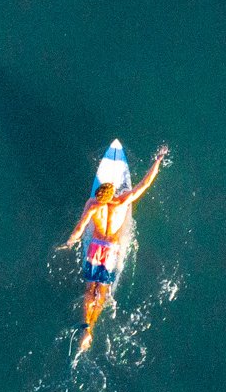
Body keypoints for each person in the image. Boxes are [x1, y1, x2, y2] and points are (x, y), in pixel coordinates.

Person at [60, 143, 168, 355]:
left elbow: (80, 228)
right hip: (110, 250)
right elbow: (144, 184)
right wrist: (158, 160)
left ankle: (85, 328)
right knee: (102, 290)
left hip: (95, 248)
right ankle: (93, 326)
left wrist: (69, 243)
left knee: (89, 289)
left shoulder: (92, 204)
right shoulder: (122, 201)